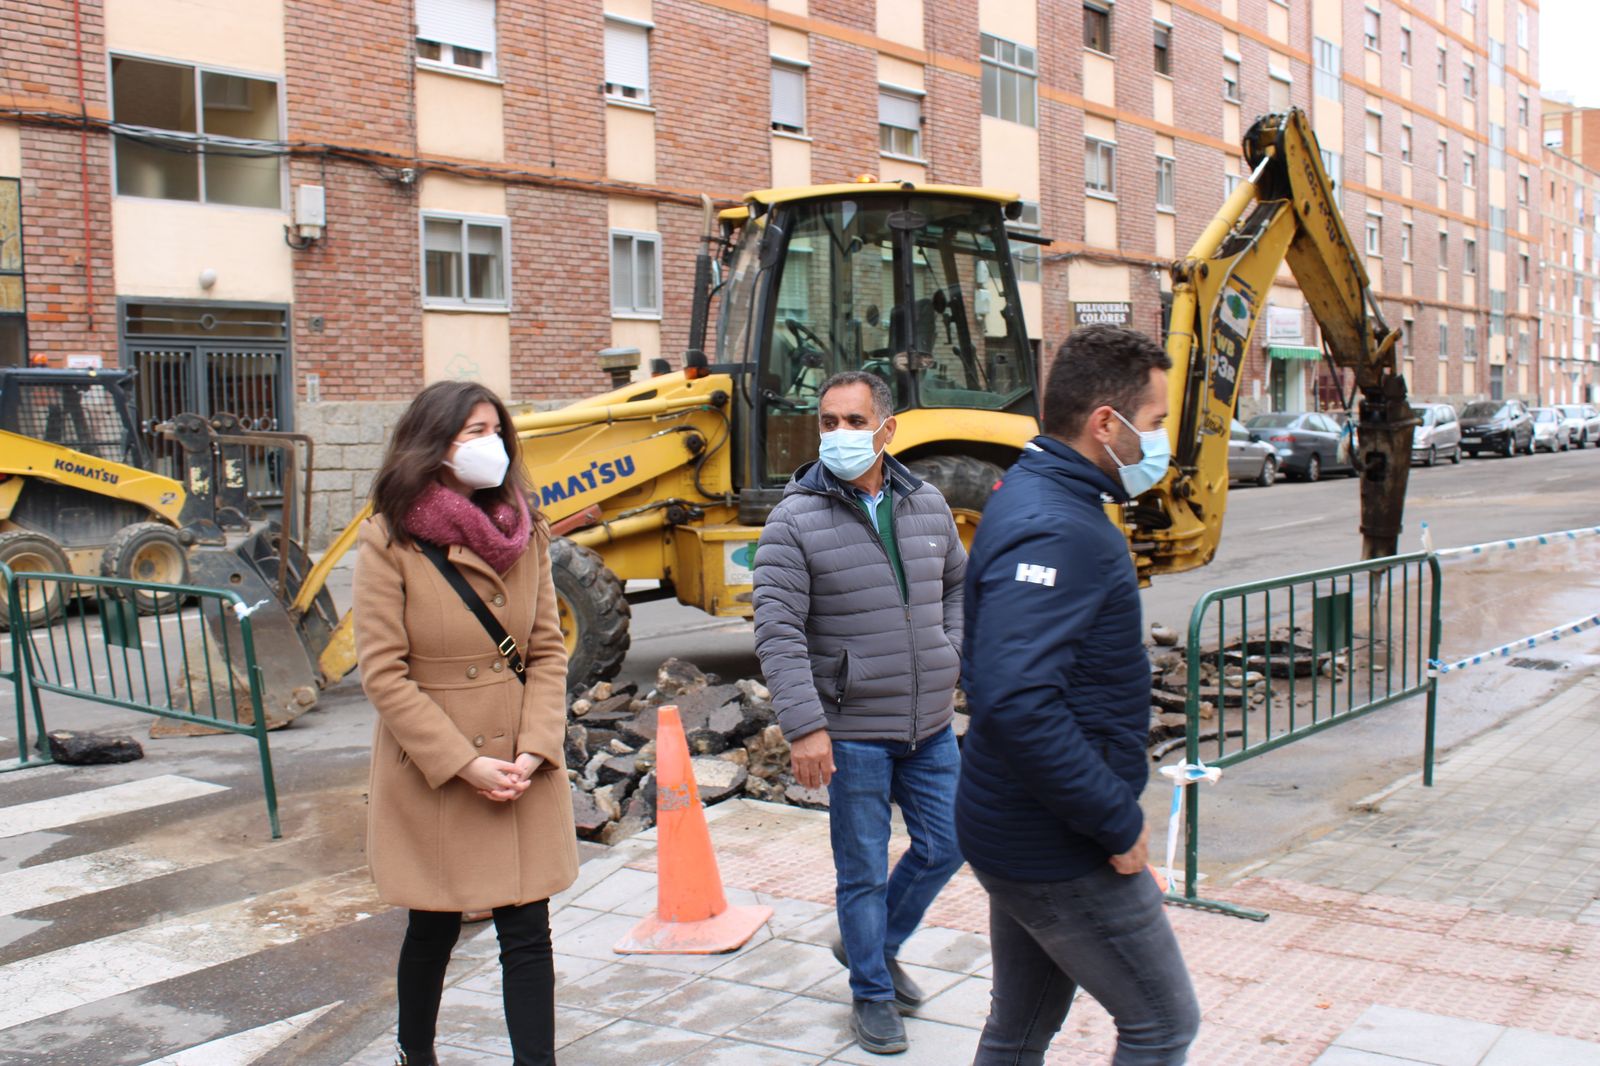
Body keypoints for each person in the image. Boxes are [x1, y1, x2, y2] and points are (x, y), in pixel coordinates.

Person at [957, 326, 1200, 1065]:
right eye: (1154, 424)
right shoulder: (1059, 527)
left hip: (1018, 826)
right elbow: (1016, 699)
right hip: (1056, 842)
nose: (1158, 442)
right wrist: (1114, 819)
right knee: (1163, 1024)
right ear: (1106, 423)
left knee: (1021, 1026)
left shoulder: (1034, 490)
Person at [353, 380, 577, 1066]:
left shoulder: (525, 528)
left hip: (517, 756)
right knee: (433, 923)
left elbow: (545, 650)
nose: (491, 445)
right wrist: (463, 763)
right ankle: (414, 1055)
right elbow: (383, 672)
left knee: (527, 929)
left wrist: (536, 750)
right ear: (433, 446)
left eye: (495, 431)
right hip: (439, 765)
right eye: (472, 433)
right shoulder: (390, 536)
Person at [753, 370, 968, 1056]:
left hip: (930, 724)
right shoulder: (795, 517)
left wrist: (951, 653)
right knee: (863, 870)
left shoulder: (927, 502)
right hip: (852, 731)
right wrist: (806, 726)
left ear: (887, 429)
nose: (839, 435)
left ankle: (869, 944)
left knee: (948, 844)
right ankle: (871, 993)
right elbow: (777, 629)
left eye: (853, 421)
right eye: (828, 422)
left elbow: (960, 585)